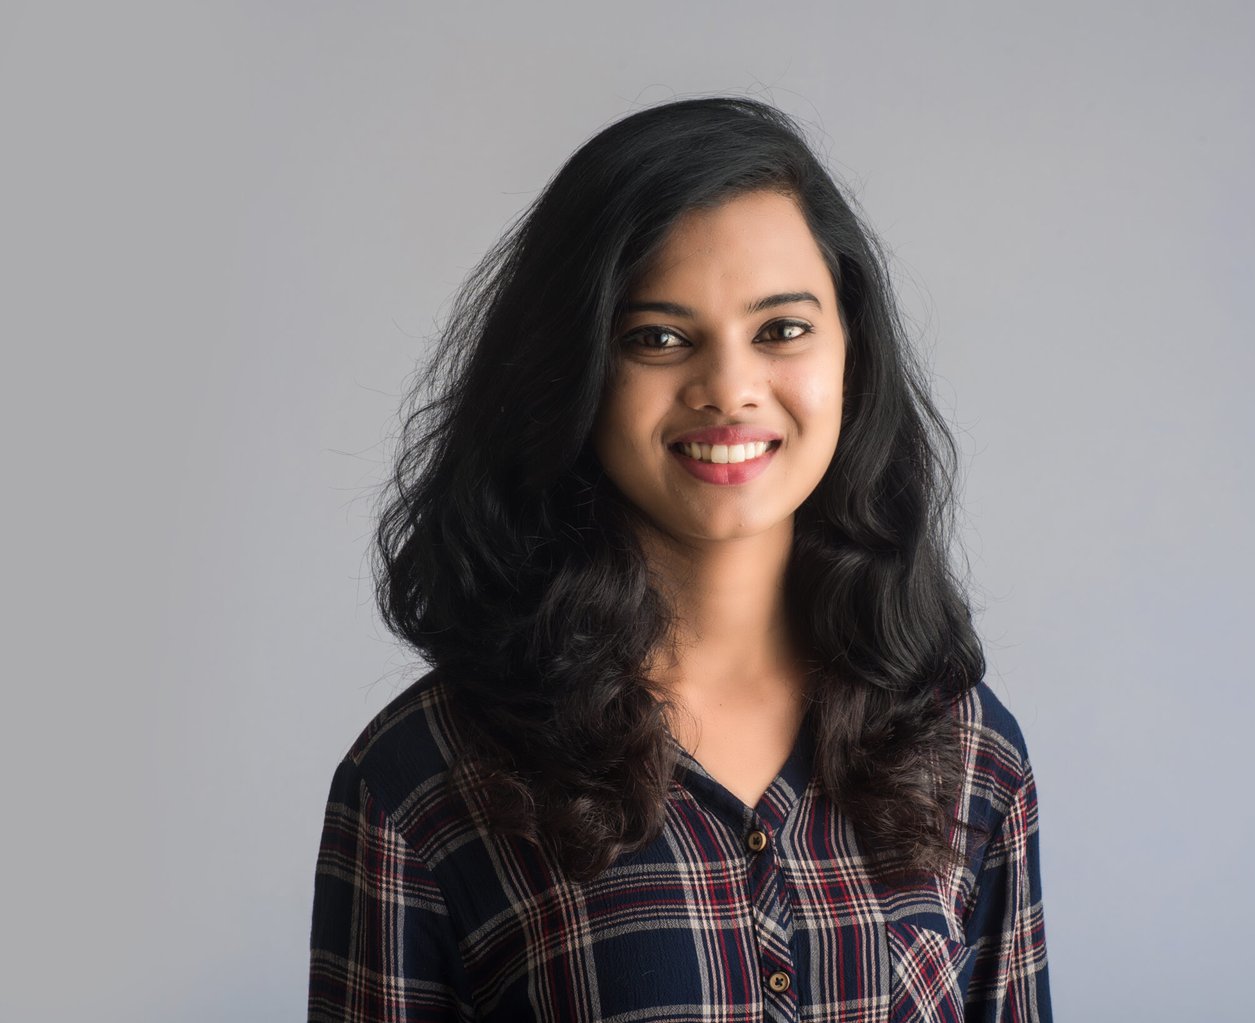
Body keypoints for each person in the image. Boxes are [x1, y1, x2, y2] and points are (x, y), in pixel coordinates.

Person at [307, 96, 1052, 1022]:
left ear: (851, 356)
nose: (730, 389)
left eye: (782, 329)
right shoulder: (424, 777)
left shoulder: (965, 748)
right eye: (658, 338)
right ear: (575, 370)